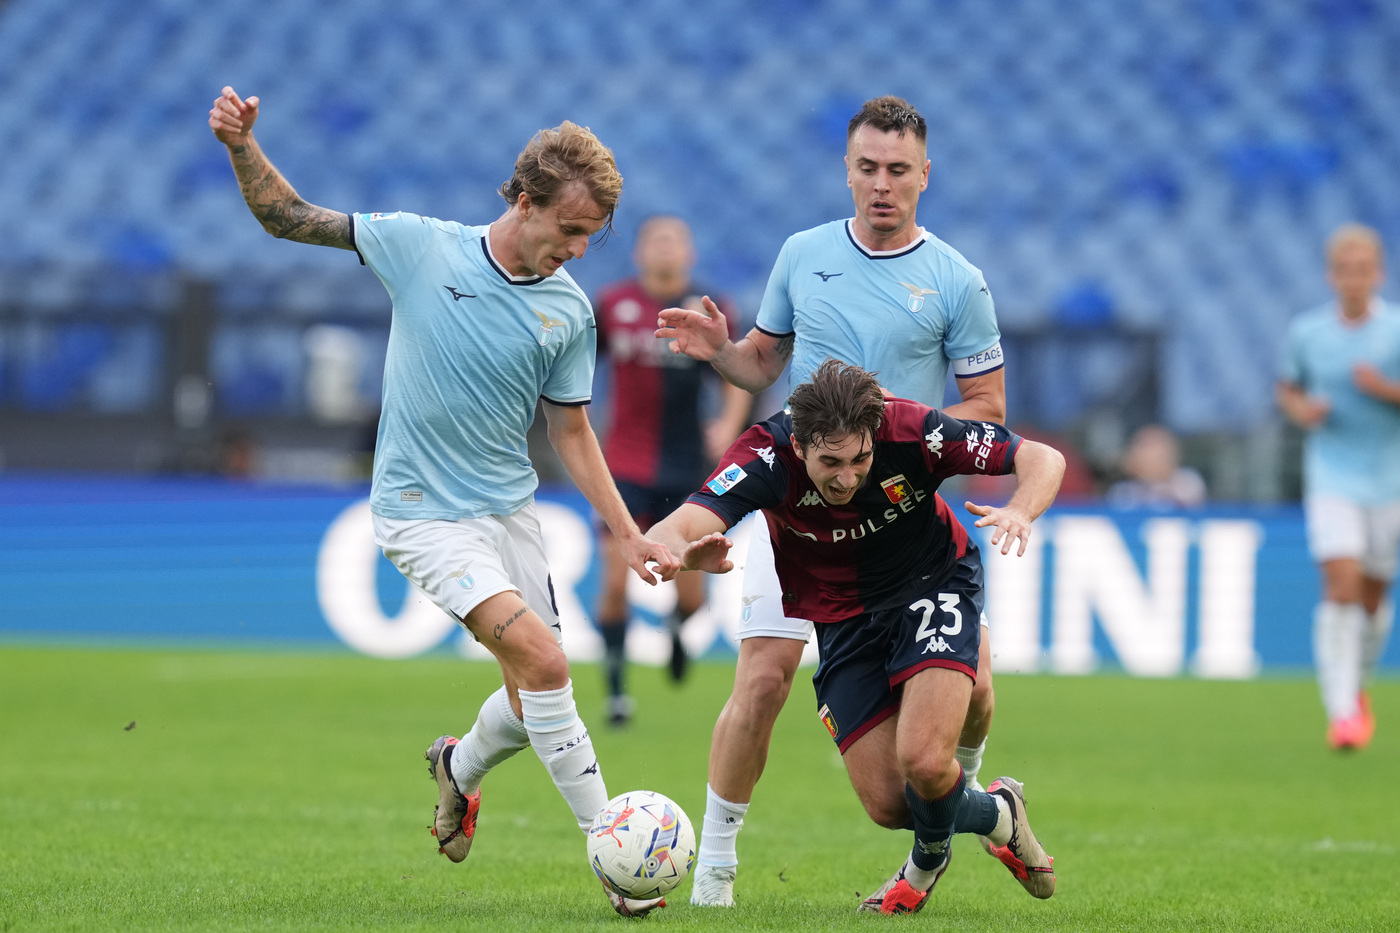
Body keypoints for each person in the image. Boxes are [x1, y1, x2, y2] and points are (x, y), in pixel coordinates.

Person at [209, 86, 679, 917]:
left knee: (538, 702)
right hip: (423, 511)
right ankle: (612, 851)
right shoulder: (421, 246)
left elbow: (571, 433)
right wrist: (243, 145)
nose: (578, 250)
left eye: (590, 236)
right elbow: (288, 217)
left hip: (511, 515)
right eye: (568, 229)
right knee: (546, 665)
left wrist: (628, 531)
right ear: (523, 201)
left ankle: (458, 769)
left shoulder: (569, 311)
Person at [655, 95, 1009, 905]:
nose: (880, 185)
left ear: (925, 175)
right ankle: (712, 872)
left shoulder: (957, 279)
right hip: (801, 518)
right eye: (866, 168)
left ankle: (962, 798)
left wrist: (896, 424)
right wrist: (721, 354)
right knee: (764, 678)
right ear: (846, 170)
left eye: (897, 171)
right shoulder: (803, 254)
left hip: (898, 523)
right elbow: (760, 365)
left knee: (976, 692)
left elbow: (988, 409)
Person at [646, 359, 1064, 914]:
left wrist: (1021, 508)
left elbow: (1041, 457)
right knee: (891, 804)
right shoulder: (763, 456)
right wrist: (677, 554)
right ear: (799, 446)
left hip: (930, 586)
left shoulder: (913, 431)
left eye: (861, 458)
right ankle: (999, 812)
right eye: (830, 463)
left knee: (924, 761)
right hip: (841, 618)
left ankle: (921, 867)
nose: (847, 477)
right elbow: (676, 525)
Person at [594, 216, 751, 725]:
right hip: (622, 464)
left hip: (688, 468)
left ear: (689, 254)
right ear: (638, 253)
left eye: (674, 241)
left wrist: (727, 423)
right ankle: (617, 693)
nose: (664, 250)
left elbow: (737, 374)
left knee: (692, 597)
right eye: (655, 241)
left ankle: (679, 631)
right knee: (616, 583)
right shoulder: (612, 306)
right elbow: (573, 364)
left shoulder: (709, 310)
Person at [1277, 223, 1400, 752]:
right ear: (1332, 275)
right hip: (1332, 474)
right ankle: (1343, 710)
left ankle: (1358, 684)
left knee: (1373, 595)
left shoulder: (1395, 330)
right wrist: (1305, 412)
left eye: (1363, 270)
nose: (1353, 280)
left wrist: (1384, 390)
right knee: (1342, 583)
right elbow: (1288, 389)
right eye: (1344, 270)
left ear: (1379, 273)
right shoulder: (1309, 333)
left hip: (1388, 476)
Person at [1105, 424, 1207, 508]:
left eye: (1154, 448)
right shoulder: (1123, 491)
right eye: (1143, 447)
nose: (1149, 457)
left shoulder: (1188, 481)